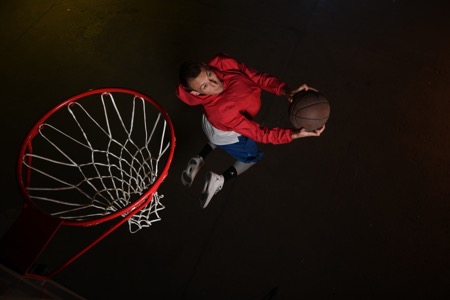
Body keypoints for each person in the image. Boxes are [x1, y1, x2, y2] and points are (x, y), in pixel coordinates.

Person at [176, 53, 325, 208]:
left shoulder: (223, 64)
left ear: (205, 65)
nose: (214, 83)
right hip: (227, 133)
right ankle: (219, 180)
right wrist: (293, 134)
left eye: (209, 74)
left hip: (211, 123)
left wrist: (285, 90)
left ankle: (200, 158)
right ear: (195, 93)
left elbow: (257, 77)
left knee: (214, 139)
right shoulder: (223, 112)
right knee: (251, 157)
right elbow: (259, 133)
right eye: (205, 86)